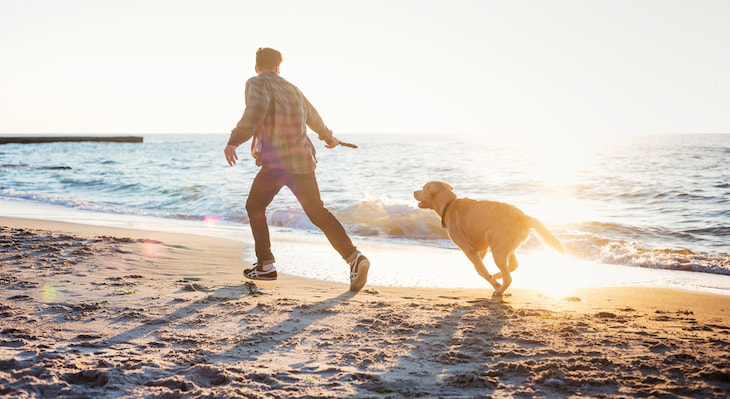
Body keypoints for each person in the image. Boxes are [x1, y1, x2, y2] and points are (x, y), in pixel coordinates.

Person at [224, 47, 370, 292]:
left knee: (255, 207)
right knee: (317, 212)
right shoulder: (293, 88)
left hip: (276, 161)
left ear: (257, 67)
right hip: (302, 160)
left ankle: (266, 265)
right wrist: (329, 137)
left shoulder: (256, 83)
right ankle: (354, 257)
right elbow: (313, 117)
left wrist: (234, 139)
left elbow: (256, 110)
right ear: (279, 67)